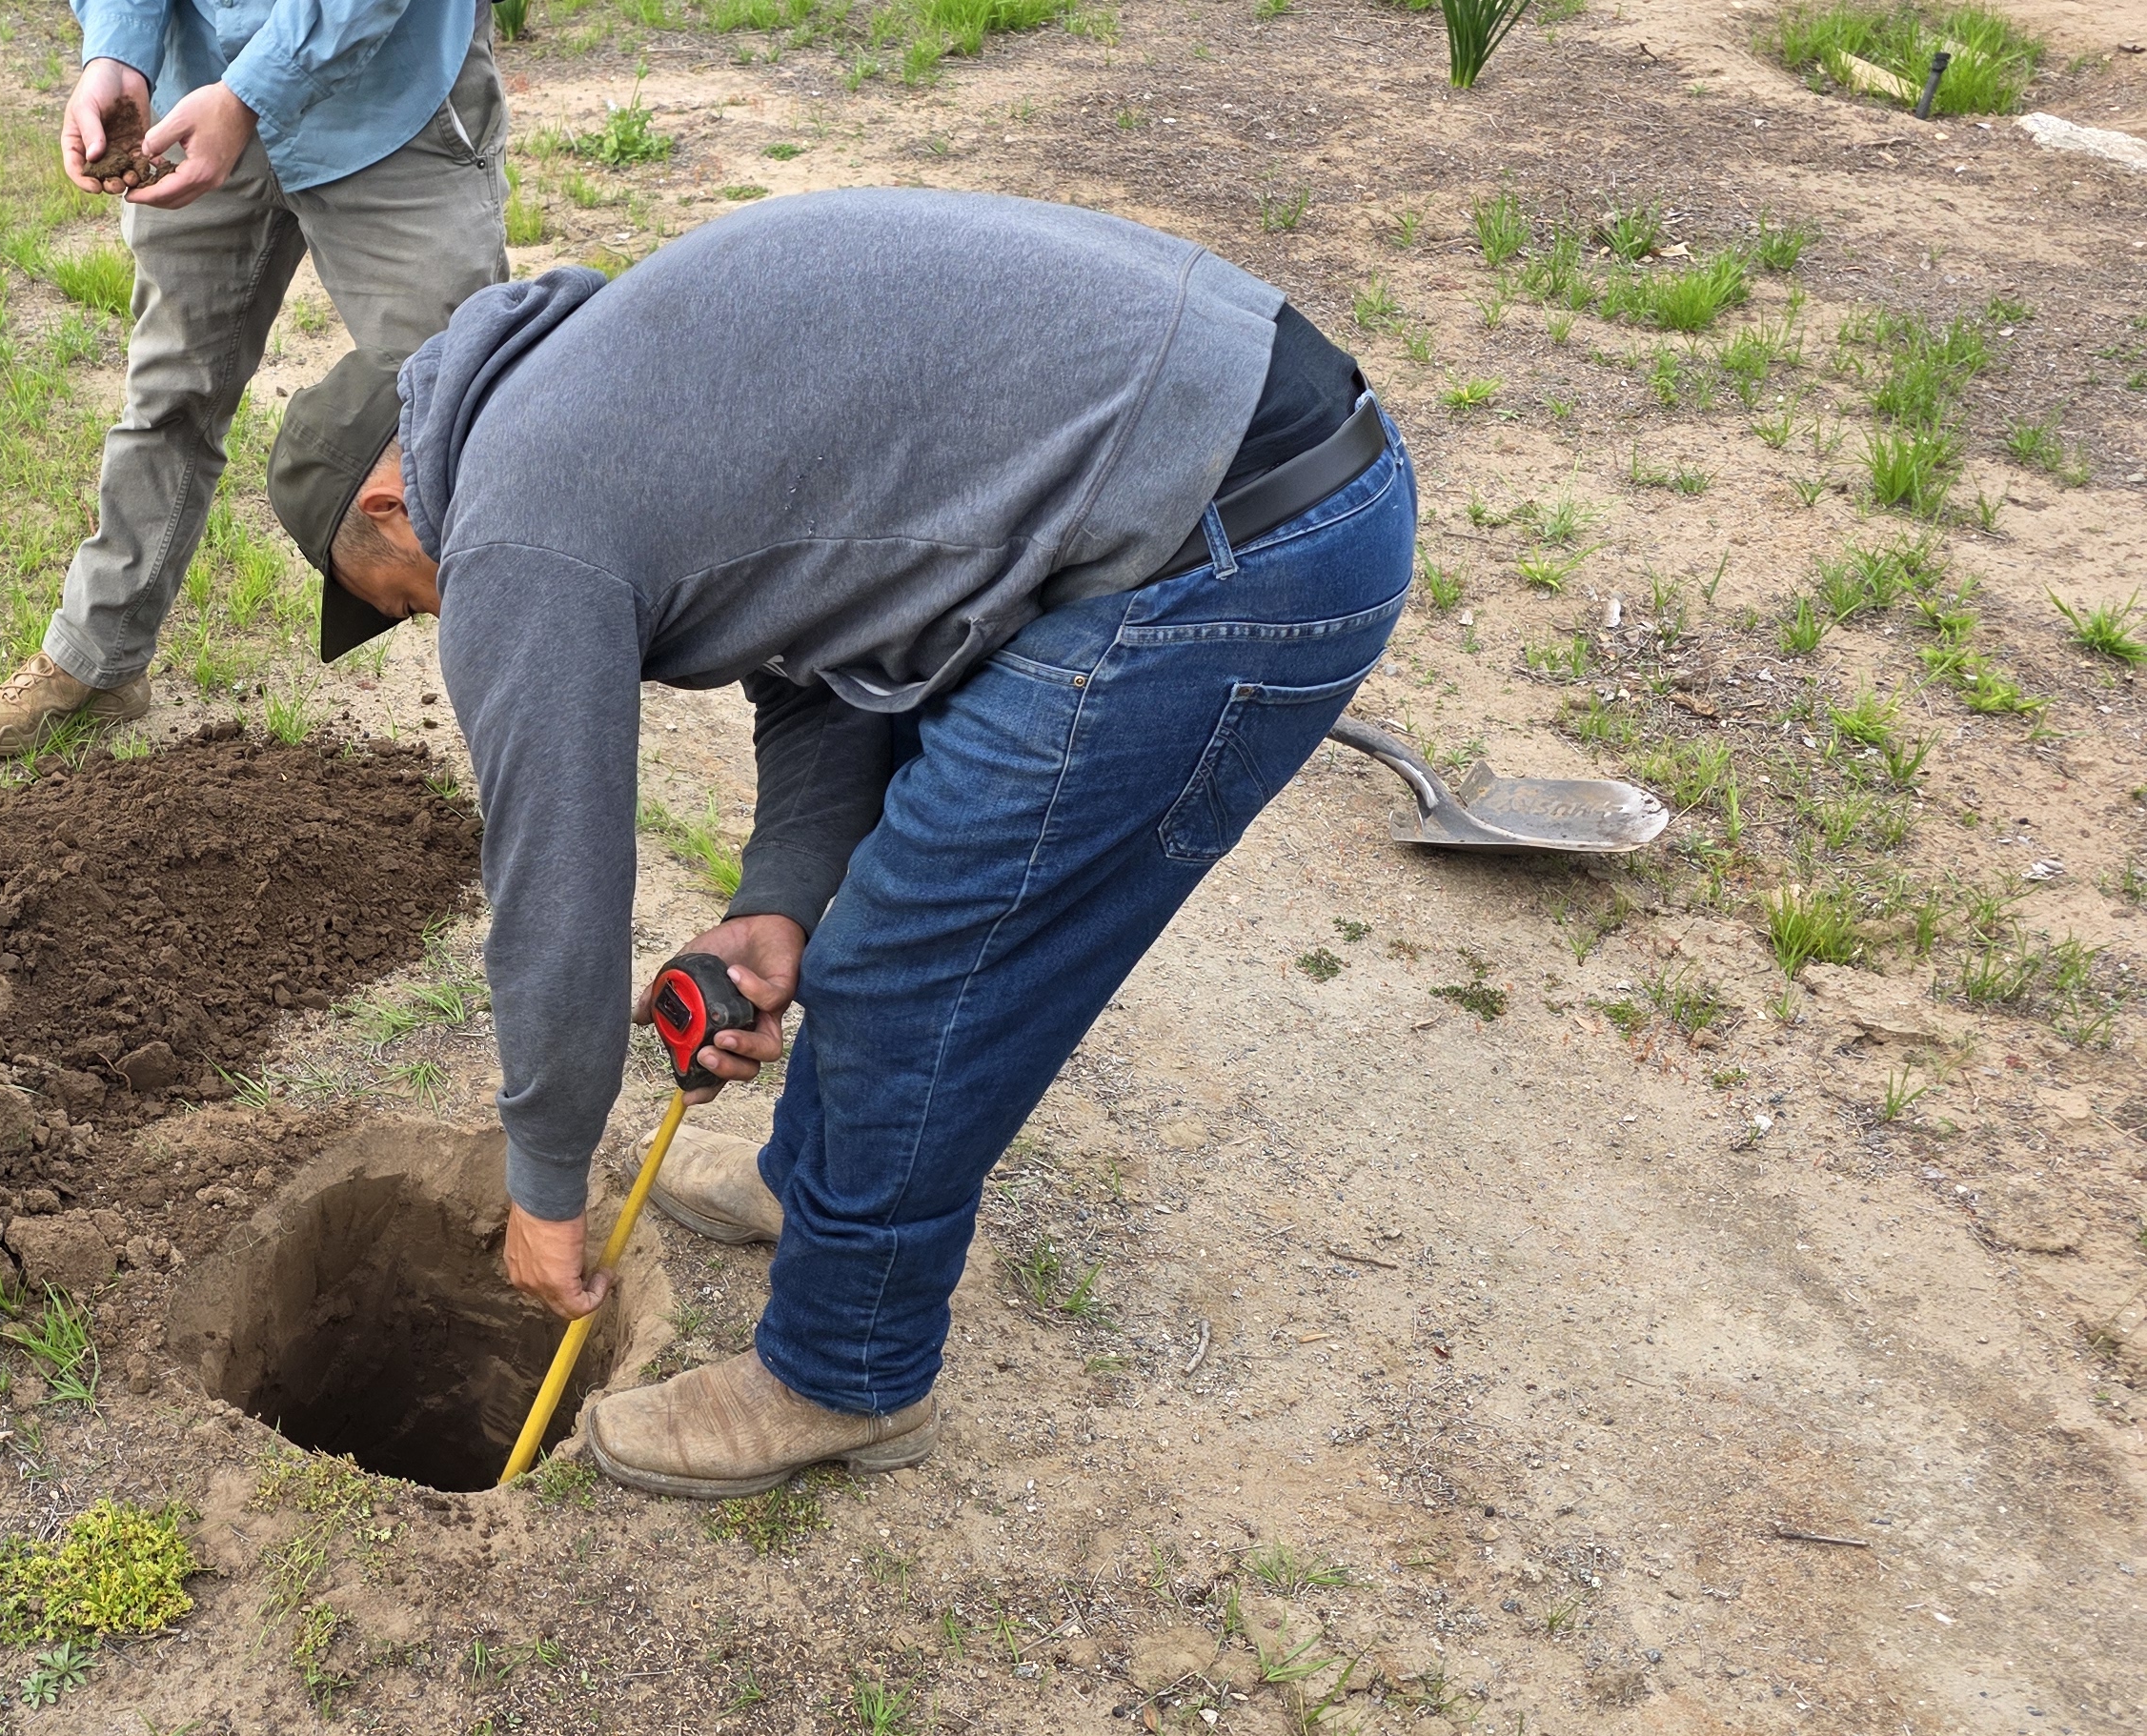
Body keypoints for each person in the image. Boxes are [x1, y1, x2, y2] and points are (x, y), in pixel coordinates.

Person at [268, 189, 1410, 1497]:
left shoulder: (516, 522)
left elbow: (558, 898)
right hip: (1246, 454)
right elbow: (821, 644)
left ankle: (844, 1375)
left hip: (1232, 548)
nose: (435, 620)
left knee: (918, 966)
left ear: (388, 503)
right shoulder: (585, 391)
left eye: (402, 603)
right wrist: (785, 893)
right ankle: (810, 1177)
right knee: (869, 922)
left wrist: (544, 1186)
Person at [0, 0, 510, 757]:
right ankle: (98, 658)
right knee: (168, 394)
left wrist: (252, 93)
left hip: (388, 98)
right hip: (196, 83)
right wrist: (118, 53)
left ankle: (522, 701)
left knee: (463, 420)